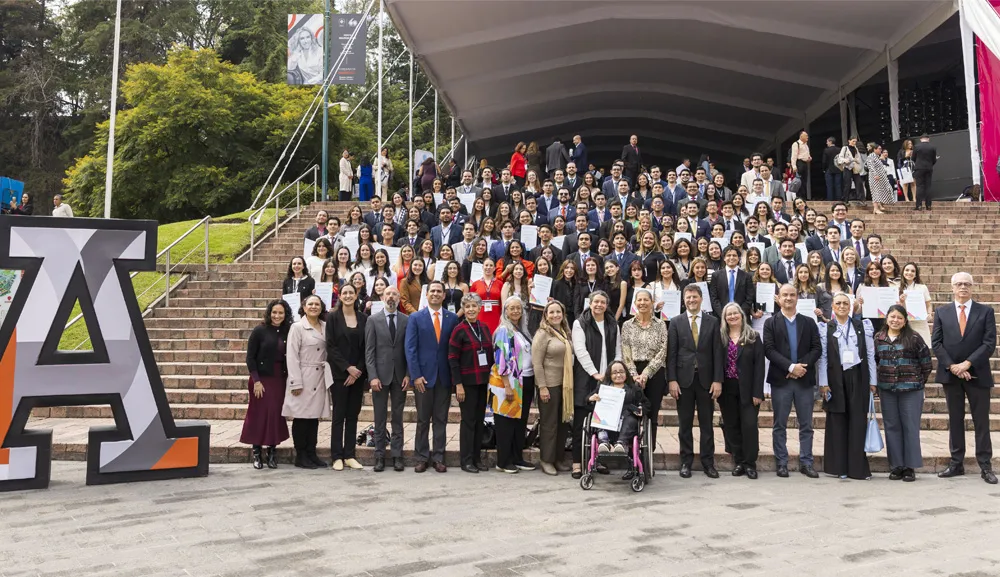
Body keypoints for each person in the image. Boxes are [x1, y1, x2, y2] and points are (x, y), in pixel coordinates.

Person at [932, 272, 998, 484]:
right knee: (955, 419)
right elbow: (937, 343)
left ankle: (985, 465)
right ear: (952, 287)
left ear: (972, 287)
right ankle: (956, 463)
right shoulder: (941, 312)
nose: (963, 287)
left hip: (977, 374)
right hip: (951, 376)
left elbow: (989, 343)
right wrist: (953, 367)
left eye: (967, 284)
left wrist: (967, 364)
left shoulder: (985, 311)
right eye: (959, 284)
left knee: (981, 421)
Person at [816, 292, 876, 480]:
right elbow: (823, 358)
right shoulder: (826, 328)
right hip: (835, 378)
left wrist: (873, 381)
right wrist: (824, 383)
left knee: (858, 422)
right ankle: (838, 467)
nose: (842, 306)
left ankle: (857, 469)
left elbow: (870, 354)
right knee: (837, 423)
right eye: (838, 303)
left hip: (857, 376)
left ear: (850, 307)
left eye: (845, 303)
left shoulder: (861, 326)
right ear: (832, 307)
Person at [667, 284, 724, 479]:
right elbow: (672, 353)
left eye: (694, 297)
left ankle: (708, 463)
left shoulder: (713, 322)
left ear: (701, 299)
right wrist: (672, 380)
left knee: (707, 424)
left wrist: (718, 380)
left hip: (707, 380)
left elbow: (718, 352)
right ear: (684, 300)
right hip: (683, 381)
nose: (691, 300)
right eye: (688, 298)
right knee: (685, 424)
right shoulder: (675, 322)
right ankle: (686, 462)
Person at [405, 281, 459, 473]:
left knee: (441, 419)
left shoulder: (452, 318)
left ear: (444, 295)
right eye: (432, 291)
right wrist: (415, 375)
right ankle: (421, 457)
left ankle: (438, 457)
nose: (435, 294)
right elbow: (410, 349)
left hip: (444, 377)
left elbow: (454, 349)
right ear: (426, 295)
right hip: (423, 378)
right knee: (422, 419)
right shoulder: (415, 318)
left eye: (439, 291)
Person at [875, 304, 932, 483]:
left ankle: (909, 466)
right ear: (886, 318)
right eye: (892, 317)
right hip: (887, 389)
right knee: (892, 426)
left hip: (911, 390)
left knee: (910, 427)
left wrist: (917, 381)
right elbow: (876, 361)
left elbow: (926, 363)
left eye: (899, 317)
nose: (895, 320)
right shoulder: (879, 338)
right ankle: (896, 465)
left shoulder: (914, 338)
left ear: (905, 320)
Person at [571, 291, 621, 478]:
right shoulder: (580, 323)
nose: (599, 305)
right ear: (590, 303)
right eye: (596, 302)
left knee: (603, 422)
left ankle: (598, 461)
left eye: (603, 302)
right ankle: (577, 463)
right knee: (580, 422)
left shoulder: (612, 323)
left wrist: (612, 373)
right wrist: (595, 373)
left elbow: (618, 351)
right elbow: (580, 350)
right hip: (586, 378)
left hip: (607, 379)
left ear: (607, 305)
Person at [241, 300, 292, 470]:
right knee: (259, 414)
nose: (277, 316)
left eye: (281, 313)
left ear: (286, 315)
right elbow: (250, 357)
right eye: (274, 312)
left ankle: (271, 451)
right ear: (269, 313)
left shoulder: (289, 330)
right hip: (261, 379)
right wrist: (256, 381)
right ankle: (256, 452)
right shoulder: (259, 331)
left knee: (275, 415)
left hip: (279, 379)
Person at [447, 294, 494, 474]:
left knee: (479, 421)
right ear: (463, 309)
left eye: (474, 306)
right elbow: (452, 359)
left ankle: (476, 458)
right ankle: (466, 460)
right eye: (467, 307)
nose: (471, 309)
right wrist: (458, 384)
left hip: (483, 381)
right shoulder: (459, 330)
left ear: (480, 308)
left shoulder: (484, 327)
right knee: (468, 422)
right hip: (466, 383)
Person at [364, 286, 409, 472]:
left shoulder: (407, 320)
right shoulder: (373, 320)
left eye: (394, 294)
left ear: (399, 298)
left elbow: (409, 350)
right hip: (380, 377)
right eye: (388, 294)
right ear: (382, 297)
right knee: (379, 417)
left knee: (398, 418)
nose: (391, 297)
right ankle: (379, 455)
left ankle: (398, 455)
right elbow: (369, 351)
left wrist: (408, 374)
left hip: (400, 376)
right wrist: (372, 376)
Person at [283, 295, 331, 469]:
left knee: (313, 418)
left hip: (319, 377)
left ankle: (312, 452)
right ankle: (301, 455)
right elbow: (292, 355)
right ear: (304, 307)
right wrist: (295, 382)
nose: (313, 307)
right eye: (310, 304)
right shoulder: (297, 327)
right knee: (301, 417)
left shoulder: (326, 326)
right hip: (303, 375)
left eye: (317, 304)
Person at [718, 303, 765, 478]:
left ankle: (750, 463)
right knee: (732, 425)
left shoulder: (753, 336)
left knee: (750, 426)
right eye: (728, 314)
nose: (732, 316)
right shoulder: (721, 337)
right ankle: (739, 461)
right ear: (725, 318)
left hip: (748, 388)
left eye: (735, 313)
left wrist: (758, 392)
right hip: (727, 388)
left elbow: (759, 366)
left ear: (741, 315)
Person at [324, 284, 367, 471]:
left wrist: (357, 370)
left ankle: (349, 455)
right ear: (339, 296)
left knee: (353, 415)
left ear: (356, 295)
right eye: (345, 293)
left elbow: (367, 347)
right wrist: (347, 368)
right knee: (339, 415)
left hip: (358, 374)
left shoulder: (364, 318)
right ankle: (337, 456)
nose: (348, 295)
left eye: (351, 292)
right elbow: (331, 346)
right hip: (340, 374)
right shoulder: (332, 317)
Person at [492, 296, 536, 473]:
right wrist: (507, 386)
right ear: (505, 311)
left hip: (526, 380)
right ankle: (503, 461)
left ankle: (518, 457)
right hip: (510, 383)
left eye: (519, 308)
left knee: (520, 422)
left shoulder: (522, 329)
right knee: (506, 423)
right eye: (512, 308)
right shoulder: (504, 330)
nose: (516, 311)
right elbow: (500, 359)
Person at [621, 288, 668, 451]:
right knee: (632, 413)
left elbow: (663, 351)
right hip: (632, 371)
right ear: (634, 303)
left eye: (646, 300)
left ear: (652, 303)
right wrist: (634, 375)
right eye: (639, 300)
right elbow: (625, 351)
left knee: (652, 414)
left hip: (655, 372)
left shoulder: (660, 324)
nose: (642, 303)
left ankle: (649, 452)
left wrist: (646, 374)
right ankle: (630, 454)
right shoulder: (627, 325)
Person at [531, 301, 574, 476]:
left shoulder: (564, 332)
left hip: (565, 385)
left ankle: (558, 458)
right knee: (550, 424)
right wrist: (542, 387)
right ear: (546, 315)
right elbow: (537, 363)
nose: (555, 315)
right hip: (549, 385)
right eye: (551, 312)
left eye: (558, 312)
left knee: (563, 424)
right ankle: (546, 460)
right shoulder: (542, 334)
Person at [709, 246, 753, 319]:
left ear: (739, 258)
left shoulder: (746, 276)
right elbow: (714, 298)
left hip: (741, 317)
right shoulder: (716, 276)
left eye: (734, 255)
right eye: (728, 255)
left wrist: (739, 314)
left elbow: (749, 298)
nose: (731, 258)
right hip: (721, 317)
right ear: (724, 258)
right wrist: (723, 314)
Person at [898, 262, 932, 345]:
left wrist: (929, 313)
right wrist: (901, 301)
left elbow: (928, 304)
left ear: (916, 274)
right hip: (904, 322)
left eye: (913, 271)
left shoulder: (922, 287)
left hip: (920, 322)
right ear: (903, 272)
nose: (909, 273)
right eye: (907, 270)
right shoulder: (897, 287)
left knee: (923, 346)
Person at [865, 143, 893, 215]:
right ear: (875, 149)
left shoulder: (877, 156)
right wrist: (875, 174)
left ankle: (879, 206)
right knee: (875, 192)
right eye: (879, 149)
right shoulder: (871, 156)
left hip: (881, 177)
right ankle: (876, 208)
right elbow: (870, 166)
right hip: (875, 178)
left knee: (882, 191)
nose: (881, 150)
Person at [911, 134, 937, 211]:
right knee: (928, 186)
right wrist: (930, 164)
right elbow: (934, 159)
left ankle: (918, 205)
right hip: (929, 168)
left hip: (919, 168)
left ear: (921, 139)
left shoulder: (916, 147)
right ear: (928, 139)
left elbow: (913, 158)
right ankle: (928, 205)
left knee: (919, 186)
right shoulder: (933, 147)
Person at [822, 137, 843, 201]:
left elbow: (824, 161)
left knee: (829, 186)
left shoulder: (826, 150)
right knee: (838, 185)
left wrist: (824, 169)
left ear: (830, 142)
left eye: (827, 141)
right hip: (838, 169)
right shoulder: (839, 149)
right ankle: (839, 199)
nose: (826, 143)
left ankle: (830, 200)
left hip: (829, 169)